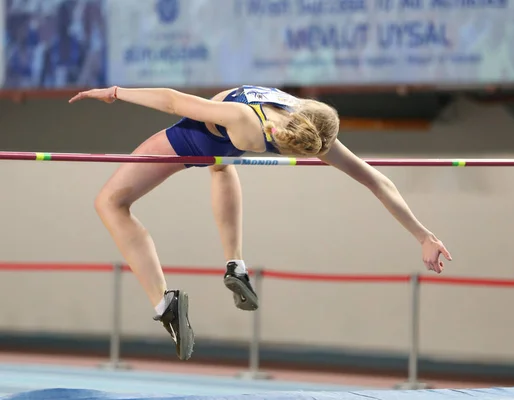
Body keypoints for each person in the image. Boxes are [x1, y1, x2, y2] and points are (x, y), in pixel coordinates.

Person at [68, 85, 452, 361]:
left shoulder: (297, 121)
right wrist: (425, 236)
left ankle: (164, 303)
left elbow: (172, 100)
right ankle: (235, 265)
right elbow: (378, 181)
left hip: (202, 136)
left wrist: (115, 92)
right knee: (221, 166)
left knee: (111, 203)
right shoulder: (316, 139)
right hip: (227, 142)